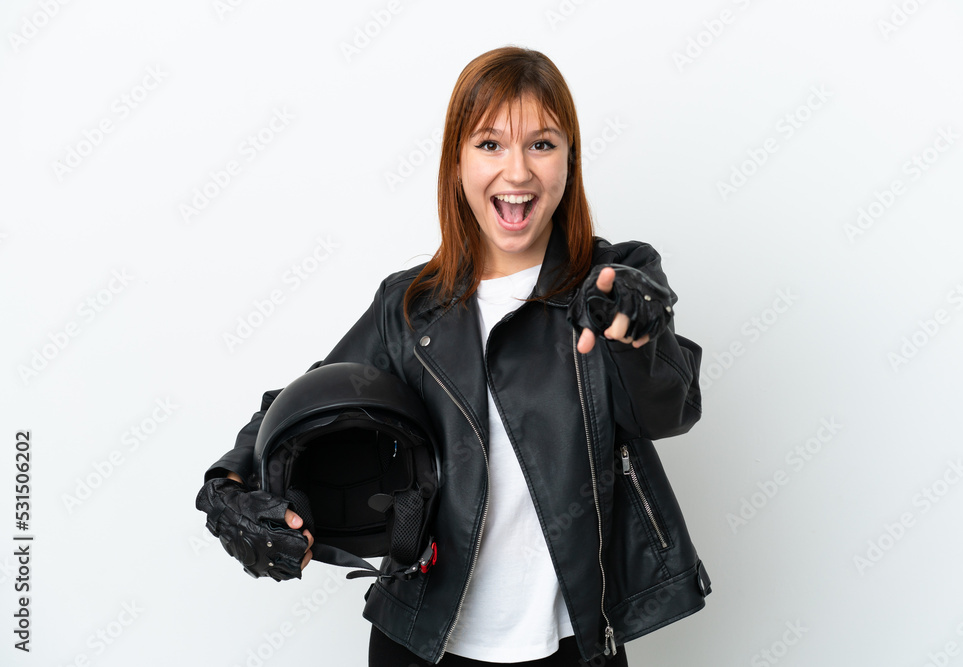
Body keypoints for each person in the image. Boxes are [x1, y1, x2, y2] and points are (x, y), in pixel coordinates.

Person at [197, 46, 710, 666]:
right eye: (490, 144)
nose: (517, 172)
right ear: (456, 162)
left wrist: (639, 337)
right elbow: (298, 410)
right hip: (420, 642)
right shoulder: (410, 307)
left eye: (542, 144)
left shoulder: (616, 282)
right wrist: (228, 488)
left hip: (576, 646)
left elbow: (669, 412)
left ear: (569, 162)